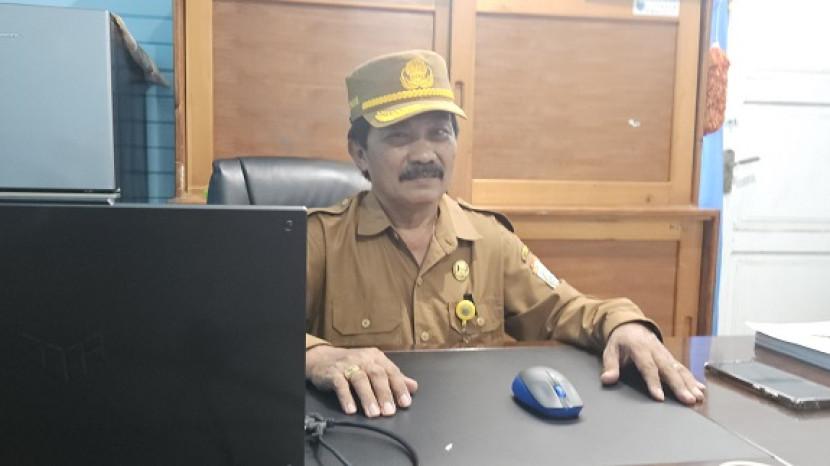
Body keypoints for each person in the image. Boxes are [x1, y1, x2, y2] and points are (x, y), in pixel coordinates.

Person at [304, 50, 705, 418]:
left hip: (470, 432)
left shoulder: (488, 239)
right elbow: (263, 334)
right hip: (361, 432)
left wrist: (624, 325)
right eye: (399, 136)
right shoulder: (318, 240)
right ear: (359, 153)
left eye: (439, 133)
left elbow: (565, 310)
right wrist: (316, 355)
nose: (425, 154)